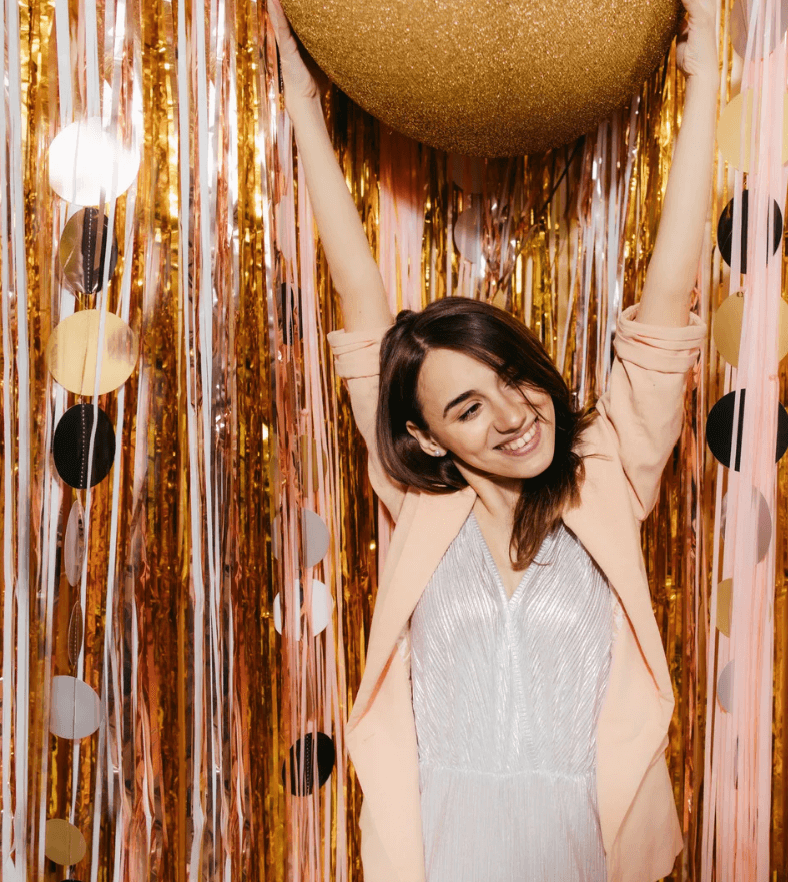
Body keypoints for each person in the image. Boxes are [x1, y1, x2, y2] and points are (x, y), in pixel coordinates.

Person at [268, 2, 718, 880]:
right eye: (467, 410)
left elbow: (670, 296)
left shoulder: (607, 474)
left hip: (587, 856)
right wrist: (300, 99)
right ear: (425, 440)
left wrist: (702, 80)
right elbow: (358, 293)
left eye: (512, 376)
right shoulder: (419, 503)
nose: (513, 413)